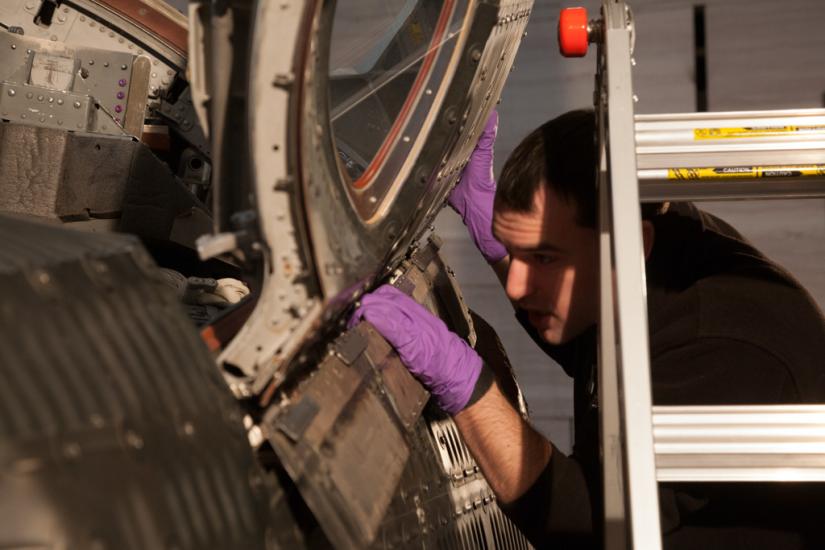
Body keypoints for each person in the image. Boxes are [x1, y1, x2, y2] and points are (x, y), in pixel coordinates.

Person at [350, 110, 825, 548]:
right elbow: (594, 345)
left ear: (626, 245)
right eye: (516, 253)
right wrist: (493, 232)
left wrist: (462, 381)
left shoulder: (715, 348)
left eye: (543, 258)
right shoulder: (645, 238)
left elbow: (586, 527)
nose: (515, 287)